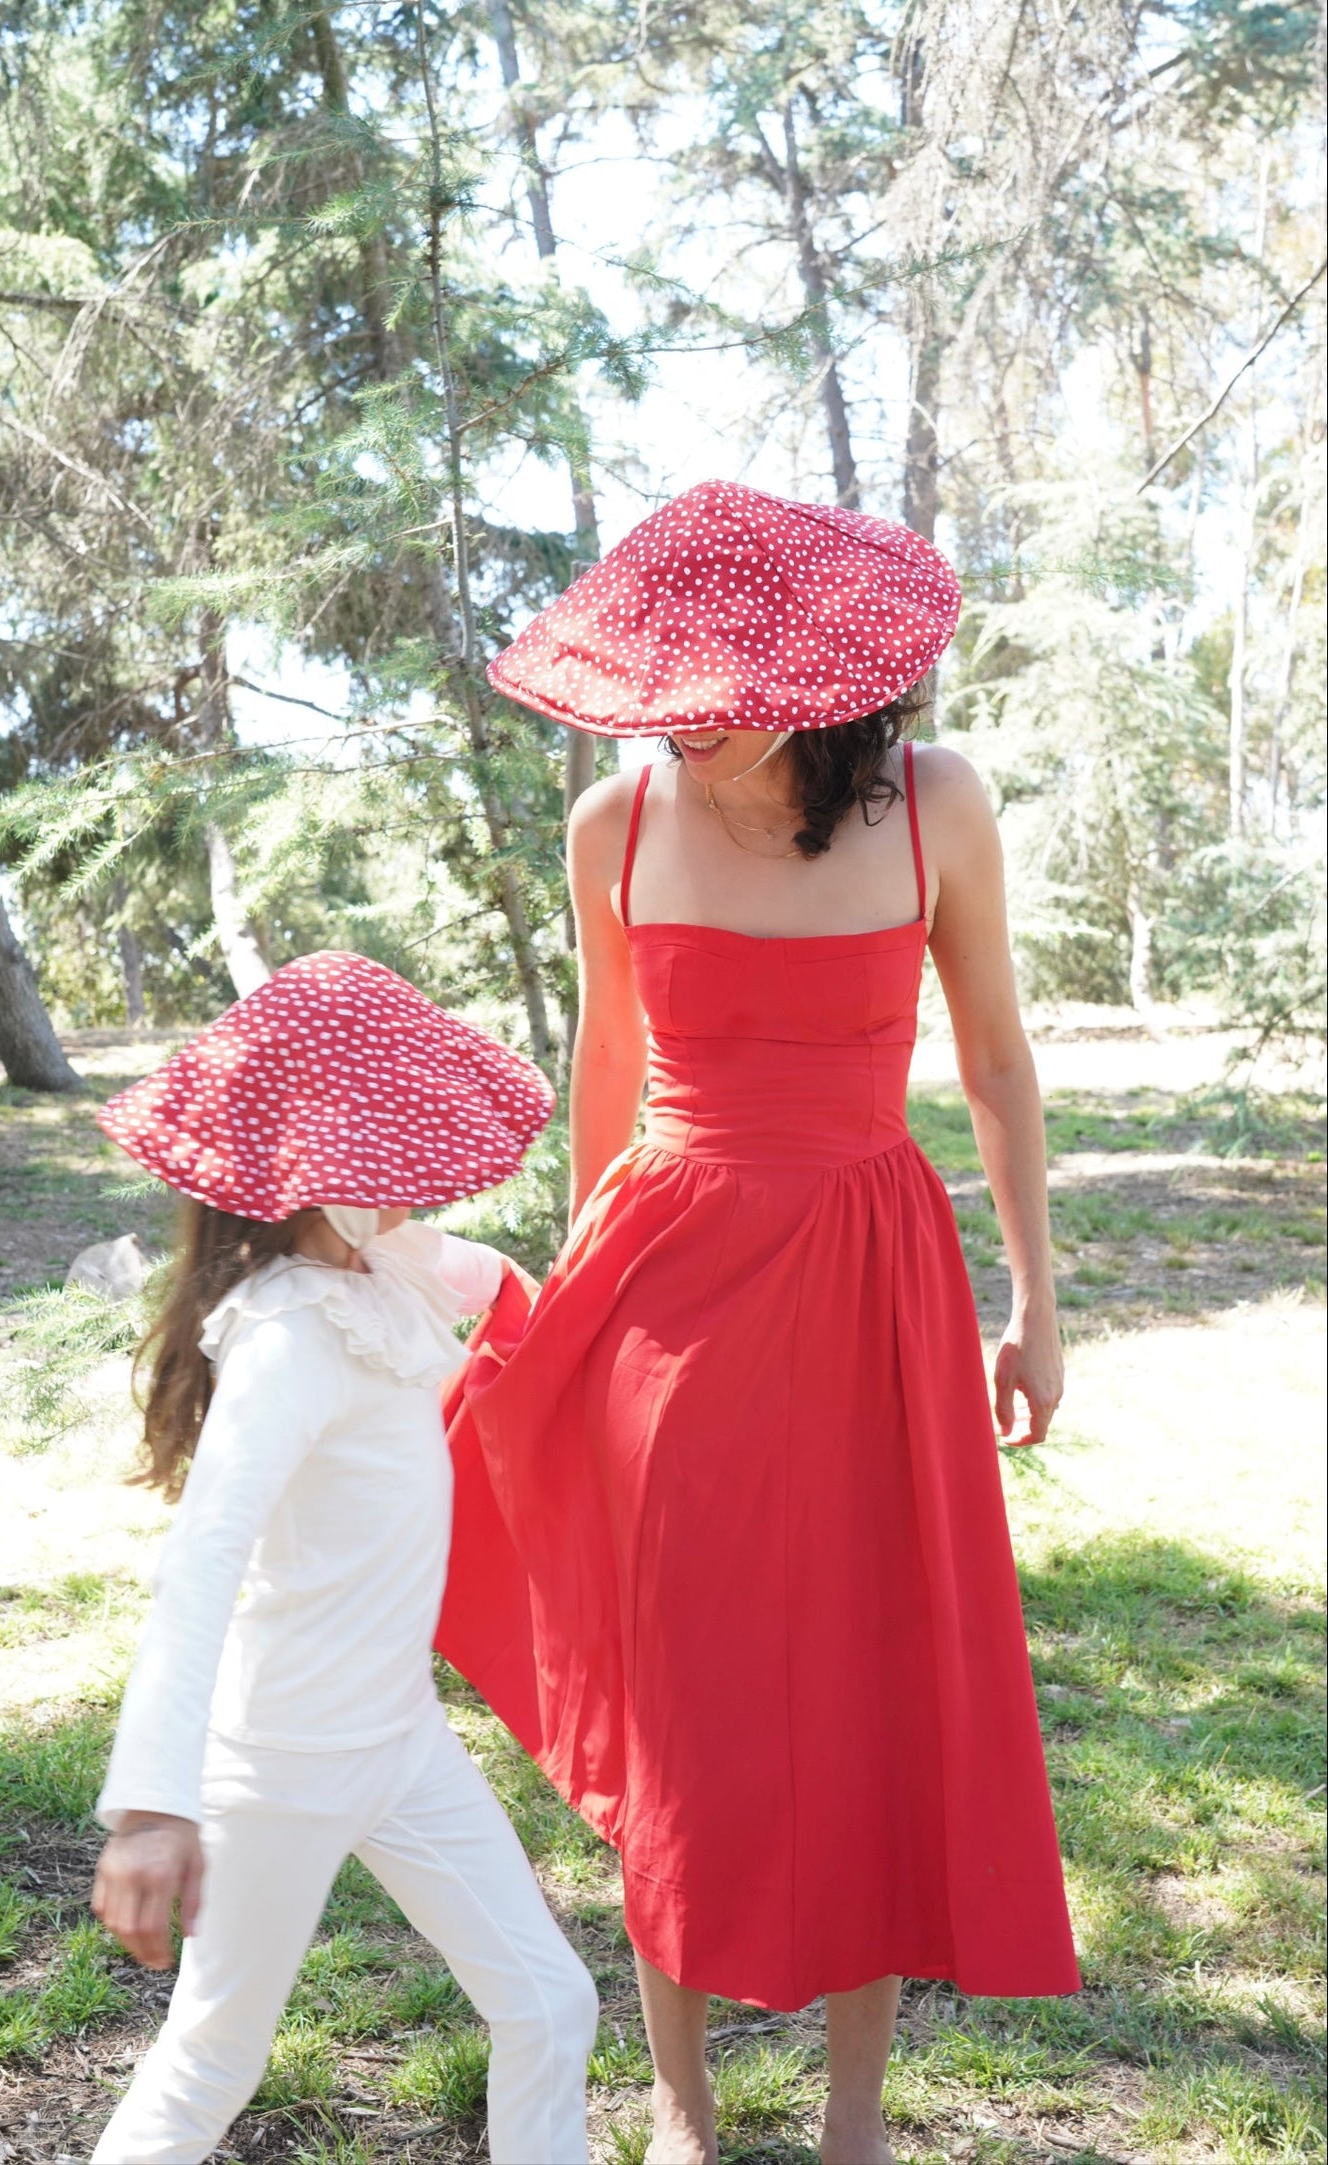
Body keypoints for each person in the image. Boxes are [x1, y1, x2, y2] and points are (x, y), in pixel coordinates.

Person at [437, 483, 1081, 2165]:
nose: (692, 722)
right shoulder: (616, 822)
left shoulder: (938, 805)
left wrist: (1037, 1298)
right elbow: (604, 1066)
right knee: (689, 1689)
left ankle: (856, 2114)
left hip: (877, 1277)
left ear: (822, 671)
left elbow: (1001, 1063)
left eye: (728, 688)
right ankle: (682, 2095)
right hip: (671, 1277)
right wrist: (576, 1293)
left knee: (875, 1672)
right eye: (669, 687)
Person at [86, 951, 597, 2165]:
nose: (419, 1178)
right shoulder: (288, 1339)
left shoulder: (384, 1266)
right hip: (280, 1762)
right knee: (212, 2056)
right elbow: (202, 1557)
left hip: (399, 1739)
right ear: (319, 1167)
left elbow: (496, 1277)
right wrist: (154, 1806)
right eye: (395, 1149)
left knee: (549, 2001)